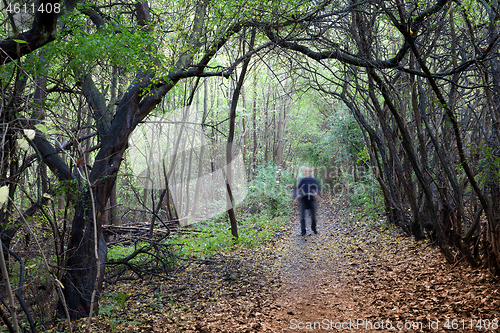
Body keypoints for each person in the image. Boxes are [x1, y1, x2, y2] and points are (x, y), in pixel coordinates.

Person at [294, 167, 320, 236]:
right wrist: (297, 196)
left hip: (311, 200)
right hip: (303, 200)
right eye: (306, 171)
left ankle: (314, 228)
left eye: (308, 171)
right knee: (302, 216)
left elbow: (317, 188)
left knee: (313, 216)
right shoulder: (302, 180)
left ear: (310, 172)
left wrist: (316, 193)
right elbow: (298, 189)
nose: (307, 172)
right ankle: (303, 230)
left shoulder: (313, 180)